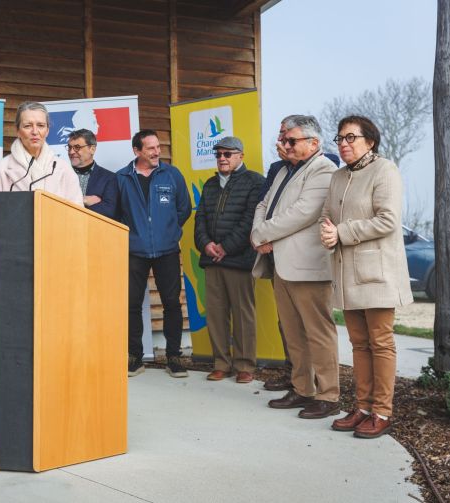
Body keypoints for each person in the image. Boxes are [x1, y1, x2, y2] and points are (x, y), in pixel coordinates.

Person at [320, 116, 413, 438]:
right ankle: (361, 407)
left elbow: (388, 220)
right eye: (340, 139)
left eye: (351, 138)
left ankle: (382, 411)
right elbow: (326, 216)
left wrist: (341, 233)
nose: (344, 144)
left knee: (381, 342)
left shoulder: (385, 170)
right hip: (346, 273)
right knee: (359, 344)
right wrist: (327, 232)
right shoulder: (338, 176)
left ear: (370, 141)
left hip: (377, 273)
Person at [251, 115, 340, 420]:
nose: (284, 145)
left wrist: (262, 234)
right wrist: (256, 233)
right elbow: (264, 204)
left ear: (314, 143)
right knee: (293, 334)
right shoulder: (286, 170)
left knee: (318, 333)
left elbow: (302, 213)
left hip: (308, 267)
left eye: (292, 140)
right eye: (284, 140)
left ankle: (329, 395)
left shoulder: (324, 169)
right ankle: (303, 389)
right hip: (281, 265)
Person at [117, 129, 192, 378]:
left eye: (157, 147)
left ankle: (173, 357)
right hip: (133, 251)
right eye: (150, 148)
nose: (156, 152)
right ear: (137, 151)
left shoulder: (171, 174)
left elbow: (184, 208)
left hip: (167, 250)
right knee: (131, 304)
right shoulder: (122, 178)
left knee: (172, 303)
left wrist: (168, 232)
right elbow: (116, 214)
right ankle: (135, 357)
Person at [194, 136, 264, 384]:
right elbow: (200, 217)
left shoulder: (255, 182)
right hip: (213, 260)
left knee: (243, 314)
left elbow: (250, 221)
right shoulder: (211, 184)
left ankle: (245, 365)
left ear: (240, 156)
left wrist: (226, 247)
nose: (222, 158)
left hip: (239, 259)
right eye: (219, 154)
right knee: (216, 314)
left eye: (228, 154)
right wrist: (206, 244)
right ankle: (221, 363)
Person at [0, 101, 83, 206]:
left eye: (40, 125)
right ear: (17, 131)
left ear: (47, 130)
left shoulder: (63, 169)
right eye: (28, 126)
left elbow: (77, 214)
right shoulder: (1, 169)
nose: (35, 131)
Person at [66, 128, 118, 218]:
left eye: (77, 147)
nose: (71, 152)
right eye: (70, 147)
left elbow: (110, 211)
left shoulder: (109, 178)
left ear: (92, 149)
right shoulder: (61, 174)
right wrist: (84, 200)